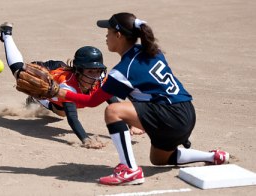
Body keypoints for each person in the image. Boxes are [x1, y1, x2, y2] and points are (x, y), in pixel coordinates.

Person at [53, 12, 230, 185]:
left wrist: (63, 94)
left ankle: (129, 170)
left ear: (119, 35)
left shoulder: (124, 70)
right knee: (159, 159)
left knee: (114, 111)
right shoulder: (151, 51)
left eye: (108, 33)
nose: (106, 37)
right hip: (186, 111)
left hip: (171, 115)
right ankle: (212, 156)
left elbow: (91, 101)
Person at [0, 22, 120, 149]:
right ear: (78, 71)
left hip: (62, 73)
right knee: (20, 73)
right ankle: (6, 34)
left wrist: (131, 124)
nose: (95, 76)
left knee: (61, 113)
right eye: (90, 71)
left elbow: (115, 104)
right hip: (47, 72)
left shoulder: (100, 80)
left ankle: (36, 101)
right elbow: (73, 118)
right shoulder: (67, 85)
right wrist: (86, 139)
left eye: (98, 71)